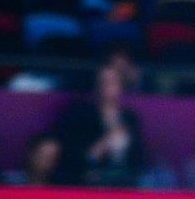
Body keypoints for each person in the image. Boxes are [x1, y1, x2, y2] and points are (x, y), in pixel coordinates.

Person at [53, 57, 146, 187]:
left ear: (120, 86)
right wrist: (98, 149)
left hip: (127, 182)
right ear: (95, 86)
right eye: (102, 82)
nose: (106, 87)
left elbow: (140, 157)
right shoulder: (80, 116)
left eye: (112, 82)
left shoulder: (129, 118)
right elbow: (70, 157)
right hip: (91, 181)